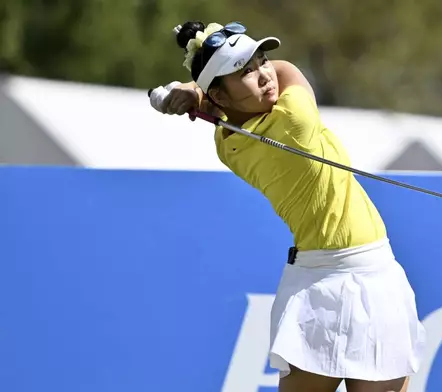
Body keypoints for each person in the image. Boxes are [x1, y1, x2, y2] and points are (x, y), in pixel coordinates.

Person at [150, 20, 426, 392]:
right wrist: (197, 92)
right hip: (338, 282)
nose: (264, 74)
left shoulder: (227, 143)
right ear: (222, 95)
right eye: (244, 71)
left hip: (343, 277)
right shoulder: (295, 118)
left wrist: (196, 94)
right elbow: (288, 70)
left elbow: (232, 109)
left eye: (261, 60)